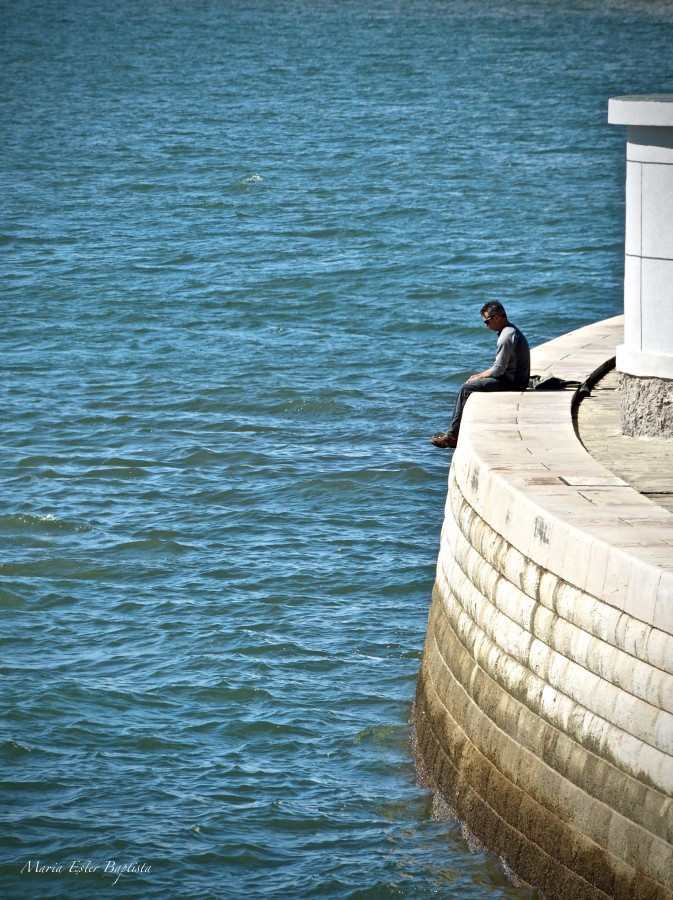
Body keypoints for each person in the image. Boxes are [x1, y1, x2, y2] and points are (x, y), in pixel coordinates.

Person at [431, 301, 530, 449]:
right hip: (517, 379)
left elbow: (498, 370)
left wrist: (480, 376)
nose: (486, 325)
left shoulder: (506, 337)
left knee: (466, 388)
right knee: (473, 383)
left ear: (496, 318)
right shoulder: (511, 331)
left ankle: (451, 436)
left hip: (513, 382)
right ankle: (453, 434)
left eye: (487, 321)